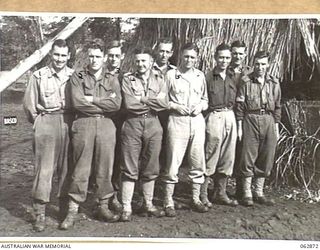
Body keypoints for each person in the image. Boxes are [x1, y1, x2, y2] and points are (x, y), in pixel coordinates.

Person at [60, 38, 122, 229]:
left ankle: (102, 205)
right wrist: (102, 103)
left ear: (104, 58)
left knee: (105, 167)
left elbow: (116, 105)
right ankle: (72, 210)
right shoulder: (77, 76)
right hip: (83, 125)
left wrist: (92, 99)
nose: (94, 60)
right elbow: (78, 103)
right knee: (81, 168)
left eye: (98, 56)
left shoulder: (112, 79)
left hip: (106, 125)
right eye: (91, 56)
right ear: (87, 57)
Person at [23, 39, 74, 232]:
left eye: (63, 55)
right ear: (51, 55)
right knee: (44, 169)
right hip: (47, 121)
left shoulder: (74, 75)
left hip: (68, 122)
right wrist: (39, 123)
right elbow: (29, 105)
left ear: (68, 56)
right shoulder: (39, 76)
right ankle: (40, 213)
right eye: (56, 54)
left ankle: (62, 210)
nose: (60, 59)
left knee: (67, 168)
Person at [120, 46, 168, 222]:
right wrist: (152, 101)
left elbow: (164, 104)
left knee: (151, 164)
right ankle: (126, 207)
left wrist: (142, 99)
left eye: (144, 61)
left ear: (151, 62)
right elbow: (129, 104)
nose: (140, 64)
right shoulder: (127, 79)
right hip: (133, 123)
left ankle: (148, 203)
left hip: (154, 124)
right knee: (129, 165)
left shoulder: (160, 79)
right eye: (138, 61)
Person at [162, 43, 209, 217]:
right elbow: (162, 99)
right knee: (173, 162)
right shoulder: (171, 75)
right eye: (186, 56)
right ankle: (168, 201)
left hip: (196, 122)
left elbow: (205, 99)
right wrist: (175, 106)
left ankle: (195, 198)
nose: (189, 60)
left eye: (192, 57)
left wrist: (200, 107)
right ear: (181, 56)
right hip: (177, 121)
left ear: (197, 59)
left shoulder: (200, 75)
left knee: (198, 161)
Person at [236, 50, 281, 206]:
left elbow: (278, 106)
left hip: (268, 119)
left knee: (266, 155)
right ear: (253, 64)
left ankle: (258, 192)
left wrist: (276, 126)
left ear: (268, 65)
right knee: (248, 155)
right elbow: (240, 106)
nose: (260, 67)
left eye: (263, 64)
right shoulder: (246, 81)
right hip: (251, 118)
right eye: (257, 64)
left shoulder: (274, 82)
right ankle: (246, 193)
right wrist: (240, 126)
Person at [200, 43, 238, 208]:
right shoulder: (208, 77)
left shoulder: (233, 77)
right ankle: (202, 193)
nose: (224, 61)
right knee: (211, 153)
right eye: (221, 57)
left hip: (230, 115)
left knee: (227, 155)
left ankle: (220, 192)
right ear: (215, 57)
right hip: (214, 116)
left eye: (227, 58)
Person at [229, 40, 252, 199]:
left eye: (240, 53)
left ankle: (242, 189)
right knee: (228, 152)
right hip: (229, 113)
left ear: (245, 54)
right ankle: (219, 189)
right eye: (234, 53)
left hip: (245, 116)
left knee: (244, 153)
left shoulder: (250, 72)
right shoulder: (224, 69)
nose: (237, 56)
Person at [105, 40, 126, 213]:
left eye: (116, 56)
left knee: (118, 159)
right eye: (110, 55)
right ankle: (102, 195)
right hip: (103, 120)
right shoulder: (99, 74)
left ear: (122, 57)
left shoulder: (125, 76)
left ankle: (115, 195)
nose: (113, 59)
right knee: (104, 159)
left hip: (120, 122)